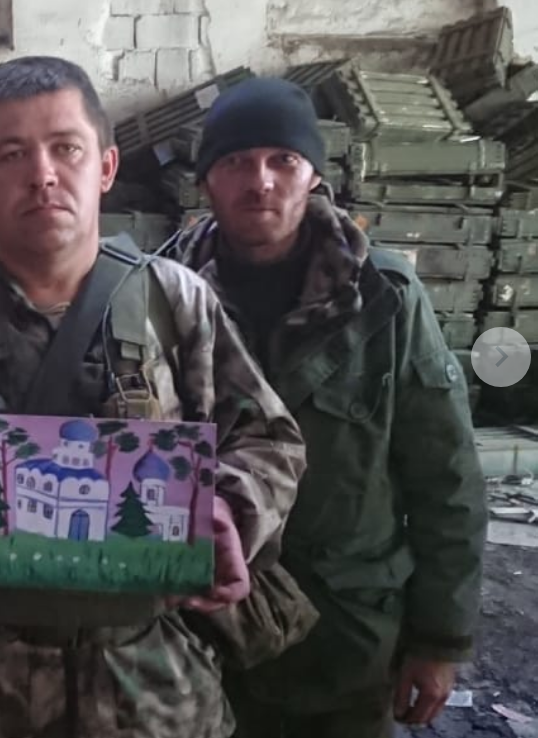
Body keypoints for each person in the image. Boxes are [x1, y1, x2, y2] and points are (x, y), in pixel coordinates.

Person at [0, 56, 308, 738]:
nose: (43, 174)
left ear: (105, 167)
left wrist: (229, 507)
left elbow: (268, 440)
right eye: (13, 153)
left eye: (66, 148)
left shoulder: (174, 301)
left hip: (156, 688)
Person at [172, 76, 488, 737]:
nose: (260, 181)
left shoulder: (384, 299)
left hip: (345, 639)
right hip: (199, 639)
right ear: (205, 181)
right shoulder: (160, 297)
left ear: (314, 175)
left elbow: (445, 475)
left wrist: (439, 639)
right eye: (236, 161)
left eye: (283, 160)